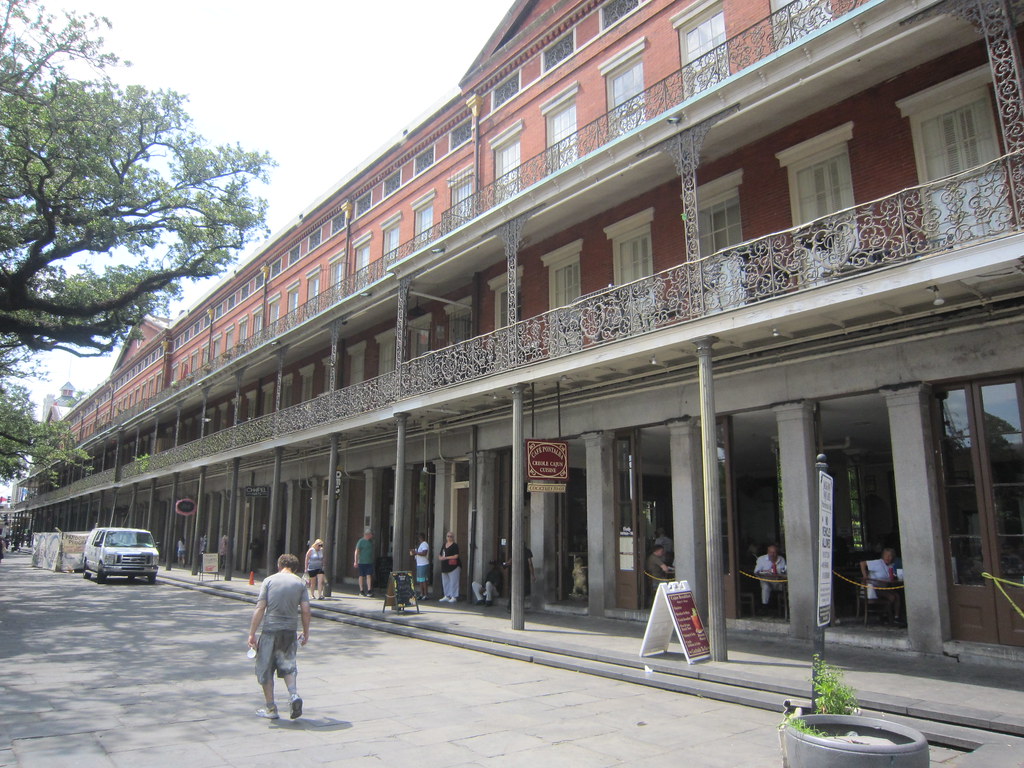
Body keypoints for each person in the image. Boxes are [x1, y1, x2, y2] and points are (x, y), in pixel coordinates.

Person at [246, 553, 311, 721]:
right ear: (295, 568)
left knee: (265, 668)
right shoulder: (300, 583)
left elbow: (260, 608)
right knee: (288, 666)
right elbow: (305, 610)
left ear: (279, 565)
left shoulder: (269, 581)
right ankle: (293, 694)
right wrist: (306, 632)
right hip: (289, 631)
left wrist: (252, 633)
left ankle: (271, 708)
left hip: (270, 630)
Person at [860, 547, 903, 624]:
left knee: (897, 596)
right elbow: (862, 563)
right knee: (892, 597)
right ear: (883, 556)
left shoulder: (890, 566)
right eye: (886, 555)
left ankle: (896, 617)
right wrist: (865, 576)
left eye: (890, 556)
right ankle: (885, 615)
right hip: (873, 589)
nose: (888, 557)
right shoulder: (878, 563)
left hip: (882, 588)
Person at [439, 531, 462, 602]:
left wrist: (446, 558)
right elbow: (440, 554)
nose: (449, 538)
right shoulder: (444, 545)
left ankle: (454, 596)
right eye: (448, 536)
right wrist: (440, 558)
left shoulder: (455, 545)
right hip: (445, 566)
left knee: (454, 581)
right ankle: (447, 595)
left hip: (453, 566)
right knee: (445, 581)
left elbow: (456, 556)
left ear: (453, 537)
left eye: (451, 536)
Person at [409, 532, 430, 600]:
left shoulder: (424, 544)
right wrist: (414, 552)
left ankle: (426, 594)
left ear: (421, 538)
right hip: (419, 564)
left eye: (419, 538)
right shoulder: (420, 545)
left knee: (424, 580)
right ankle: (421, 593)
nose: (418, 539)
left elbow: (424, 553)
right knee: (420, 580)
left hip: (423, 564)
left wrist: (416, 552)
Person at [353, 529, 374, 597]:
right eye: (371, 534)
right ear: (367, 535)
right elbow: (357, 551)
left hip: (369, 561)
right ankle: (361, 590)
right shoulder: (361, 541)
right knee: (361, 575)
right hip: (362, 561)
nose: (372, 535)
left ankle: (369, 590)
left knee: (369, 575)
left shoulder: (371, 541)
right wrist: (355, 561)